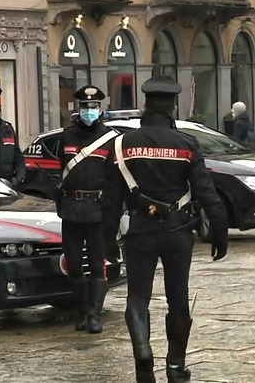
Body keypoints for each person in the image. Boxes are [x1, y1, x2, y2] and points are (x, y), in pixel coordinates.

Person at [107, 76, 229, 383]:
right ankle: (175, 366)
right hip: (178, 230)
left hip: (139, 230)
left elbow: (111, 199)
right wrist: (220, 230)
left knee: (137, 296)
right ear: (172, 107)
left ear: (146, 105)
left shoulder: (122, 145)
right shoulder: (186, 144)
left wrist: (107, 238)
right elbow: (206, 191)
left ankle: (142, 353)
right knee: (178, 296)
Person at [54, 85, 119, 334]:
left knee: (96, 262)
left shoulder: (110, 139)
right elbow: (59, 170)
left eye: (93, 107)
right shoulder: (67, 136)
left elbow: (115, 179)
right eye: (85, 107)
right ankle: (81, 312)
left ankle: (94, 314)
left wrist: (114, 212)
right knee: (73, 263)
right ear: (78, 109)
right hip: (71, 209)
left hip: (97, 209)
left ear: (101, 109)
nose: (89, 111)